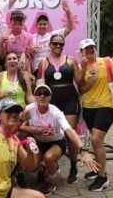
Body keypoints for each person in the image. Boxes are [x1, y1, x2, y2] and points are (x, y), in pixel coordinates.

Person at [20, 84, 99, 196]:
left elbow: (69, 130)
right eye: (39, 93)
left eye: (46, 94)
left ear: (50, 97)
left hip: (56, 143)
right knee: (30, 167)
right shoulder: (29, 109)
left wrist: (83, 150)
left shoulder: (55, 112)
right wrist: (27, 126)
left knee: (49, 157)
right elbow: (18, 127)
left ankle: (50, 182)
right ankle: (43, 170)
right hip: (38, 142)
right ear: (35, 96)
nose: (42, 96)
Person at [78, 38, 113, 191]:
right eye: (87, 48)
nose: (91, 49)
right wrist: (89, 80)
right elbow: (81, 90)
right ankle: (97, 170)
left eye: (92, 46)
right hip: (88, 108)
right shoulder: (82, 67)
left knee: (96, 139)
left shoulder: (106, 61)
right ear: (82, 52)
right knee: (95, 142)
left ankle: (102, 177)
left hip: (106, 105)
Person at [36, 34, 83, 184]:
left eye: (61, 44)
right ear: (49, 45)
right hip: (52, 100)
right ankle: (50, 165)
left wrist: (85, 67)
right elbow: (39, 83)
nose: (58, 46)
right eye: (55, 44)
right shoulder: (44, 62)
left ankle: (74, 167)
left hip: (69, 98)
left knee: (70, 134)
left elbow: (80, 82)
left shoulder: (71, 60)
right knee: (50, 132)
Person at [31, 1, 73, 73]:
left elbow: (69, 28)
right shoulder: (31, 38)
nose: (42, 26)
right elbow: (27, 54)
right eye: (40, 24)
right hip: (36, 70)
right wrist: (31, 51)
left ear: (48, 25)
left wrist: (68, 13)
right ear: (36, 26)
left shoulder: (53, 35)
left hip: (50, 69)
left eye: (44, 24)